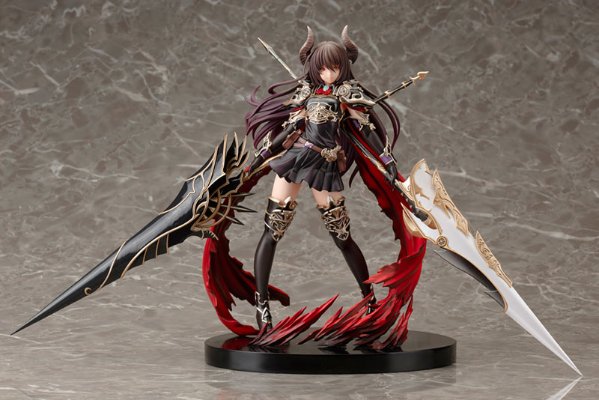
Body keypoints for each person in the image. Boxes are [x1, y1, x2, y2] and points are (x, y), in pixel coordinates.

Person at [245, 27, 406, 330]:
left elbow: (367, 130)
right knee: (272, 230)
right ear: (313, 68)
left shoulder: (347, 95)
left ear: (343, 68)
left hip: (325, 164)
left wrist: (387, 159)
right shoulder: (305, 93)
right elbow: (288, 130)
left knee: (341, 235)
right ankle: (262, 306)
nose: (328, 73)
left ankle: (369, 301)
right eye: (321, 68)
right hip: (296, 158)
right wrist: (260, 157)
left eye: (334, 68)